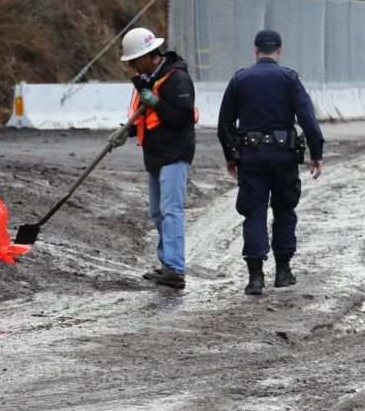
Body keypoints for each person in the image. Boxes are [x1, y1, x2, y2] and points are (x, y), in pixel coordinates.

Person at [217, 29, 324, 295]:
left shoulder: (240, 79)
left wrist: (231, 156)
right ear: (280, 50)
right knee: (284, 210)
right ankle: (283, 272)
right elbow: (307, 118)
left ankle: (255, 278)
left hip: (251, 157)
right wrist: (316, 152)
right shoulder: (289, 78)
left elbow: (224, 123)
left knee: (254, 211)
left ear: (255, 49)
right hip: (284, 157)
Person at [118, 27, 198, 289]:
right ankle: (167, 264)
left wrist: (157, 102)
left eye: (133, 60)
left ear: (147, 56)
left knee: (171, 210)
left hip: (175, 153)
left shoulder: (177, 79)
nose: (131, 65)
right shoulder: (148, 80)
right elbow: (142, 116)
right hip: (155, 154)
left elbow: (183, 118)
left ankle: (174, 268)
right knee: (157, 212)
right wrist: (126, 131)